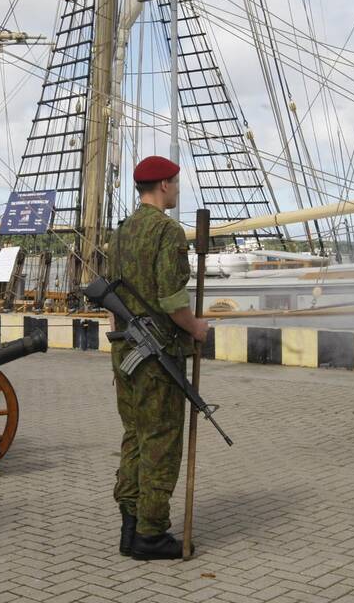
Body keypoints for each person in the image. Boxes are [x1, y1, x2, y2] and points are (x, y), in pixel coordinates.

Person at [108, 155, 209, 561]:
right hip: (158, 355)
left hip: (125, 352)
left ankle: (129, 527)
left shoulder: (122, 231)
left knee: (134, 436)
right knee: (161, 441)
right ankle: (151, 534)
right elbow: (171, 299)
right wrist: (195, 328)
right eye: (176, 183)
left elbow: (114, 295)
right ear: (164, 185)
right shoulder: (167, 231)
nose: (178, 189)